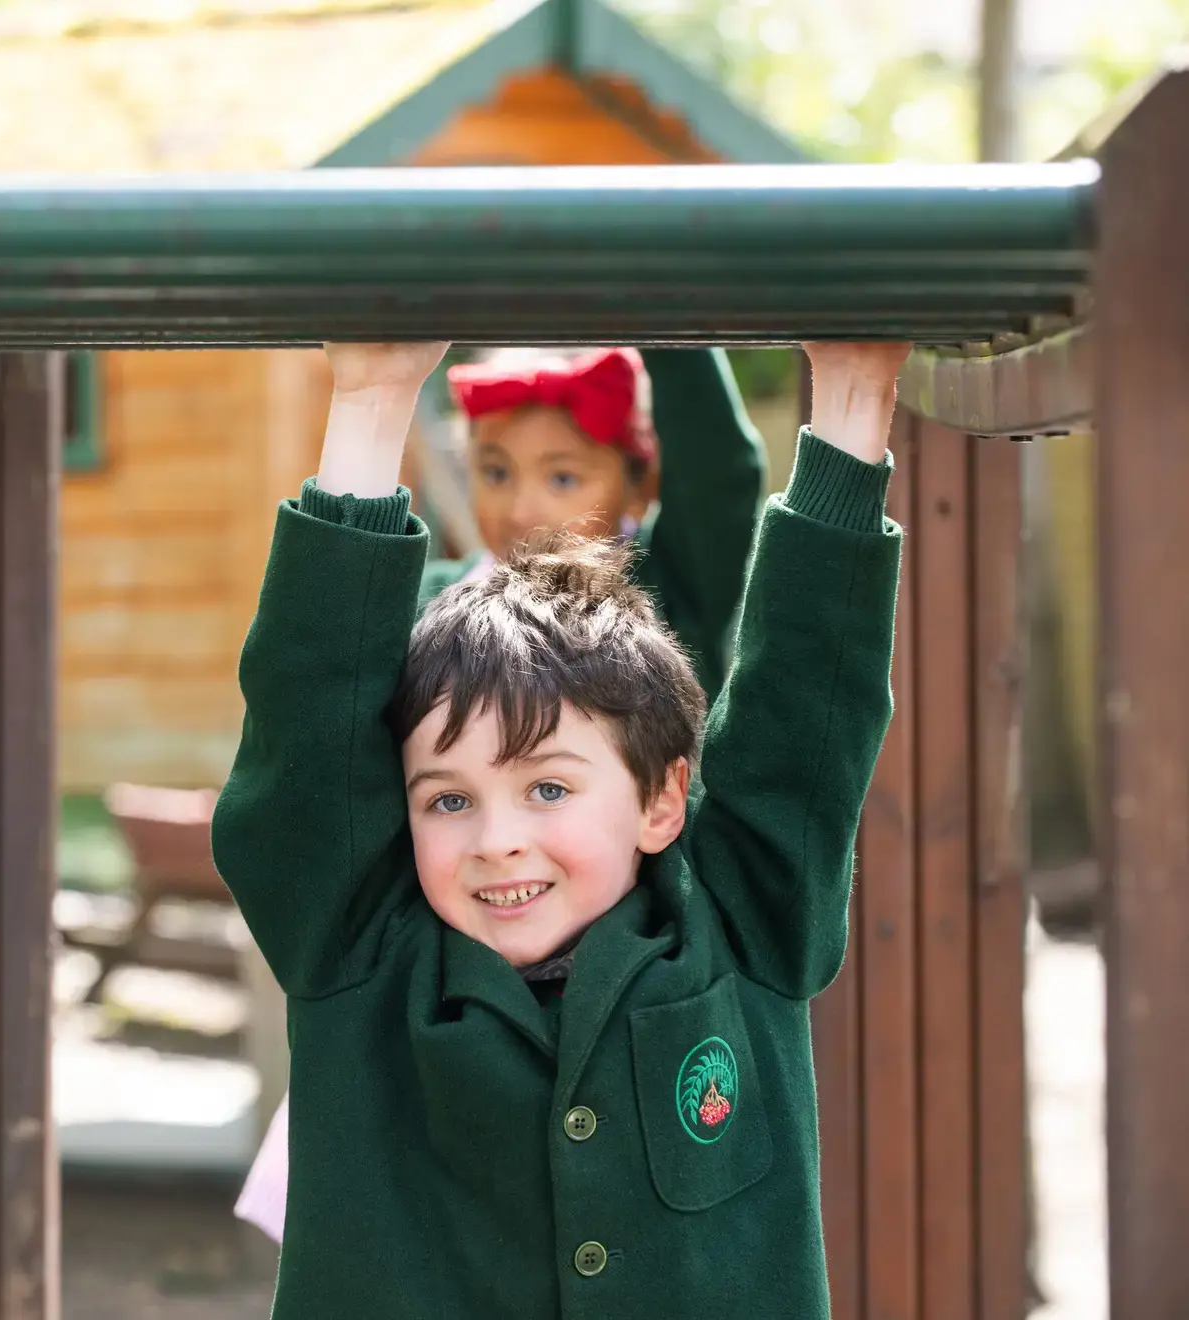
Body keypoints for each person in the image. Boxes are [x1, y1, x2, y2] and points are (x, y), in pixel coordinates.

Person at [213, 338, 907, 1316]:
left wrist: (856, 391)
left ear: (662, 801)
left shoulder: (744, 922)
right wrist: (370, 398)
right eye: (449, 799)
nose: (496, 838)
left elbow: (805, 704)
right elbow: (309, 732)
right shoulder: (360, 950)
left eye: (547, 789)